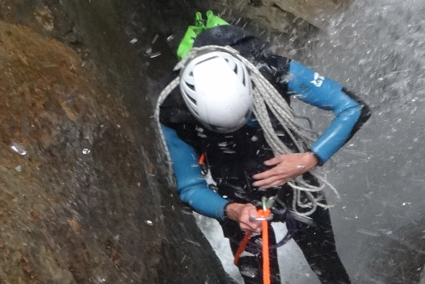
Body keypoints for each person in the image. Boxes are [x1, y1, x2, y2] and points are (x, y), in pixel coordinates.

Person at [154, 11, 370, 284]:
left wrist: (309, 159)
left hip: (296, 185)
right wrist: (231, 210)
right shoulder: (174, 112)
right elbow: (190, 187)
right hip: (236, 201)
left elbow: (352, 108)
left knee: (328, 269)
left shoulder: (271, 70)